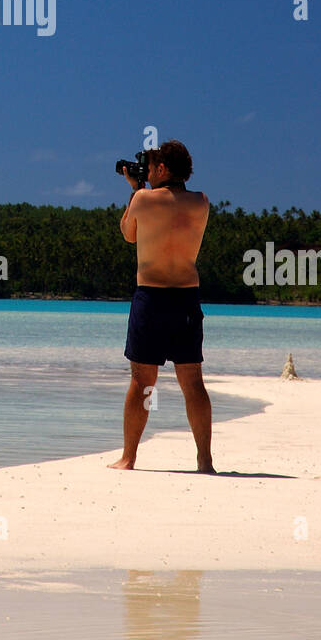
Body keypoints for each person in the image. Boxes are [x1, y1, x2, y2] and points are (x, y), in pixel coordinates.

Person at [108, 140, 215, 473]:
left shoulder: (143, 199)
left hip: (151, 297)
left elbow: (128, 233)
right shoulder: (201, 202)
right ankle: (205, 460)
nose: (149, 173)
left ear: (162, 169)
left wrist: (136, 189)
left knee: (142, 382)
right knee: (192, 381)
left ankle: (129, 458)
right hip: (185, 297)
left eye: (152, 167)